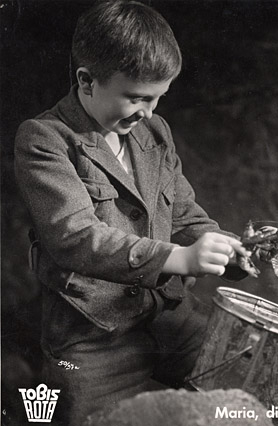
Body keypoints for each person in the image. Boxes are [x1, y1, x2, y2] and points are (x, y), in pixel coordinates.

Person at [14, 1, 252, 424]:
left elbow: (181, 211)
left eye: (159, 97)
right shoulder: (44, 140)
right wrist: (179, 258)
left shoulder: (154, 131)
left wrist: (228, 247)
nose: (149, 112)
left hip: (168, 317)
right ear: (86, 81)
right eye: (137, 97)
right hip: (91, 336)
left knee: (266, 386)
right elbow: (75, 237)